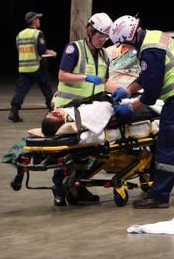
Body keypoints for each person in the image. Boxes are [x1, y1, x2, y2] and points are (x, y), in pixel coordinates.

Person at [109, 15, 174, 209]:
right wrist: (127, 90)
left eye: (124, 45)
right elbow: (147, 77)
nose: (125, 49)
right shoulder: (154, 37)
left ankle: (159, 196)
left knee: (168, 145)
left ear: (130, 38)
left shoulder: (150, 50)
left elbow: (150, 95)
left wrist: (130, 108)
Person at [50, 13, 124, 206]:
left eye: (105, 37)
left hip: (90, 110)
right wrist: (84, 77)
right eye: (99, 36)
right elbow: (62, 75)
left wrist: (124, 91)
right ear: (89, 31)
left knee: (88, 150)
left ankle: (78, 187)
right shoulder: (74, 49)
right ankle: (59, 188)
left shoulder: (104, 55)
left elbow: (104, 83)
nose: (102, 40)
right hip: (68, 109)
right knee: (66, 151)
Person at [8, 12, 57, 122]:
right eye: (37, 19)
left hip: (24, 67)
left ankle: (14, 111)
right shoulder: (37, 33)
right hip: (37, 66)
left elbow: (19, 49)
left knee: (20, 91)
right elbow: (41, 50)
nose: (39, 21)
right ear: (33, 21)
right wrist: (52, 53)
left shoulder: (20, 35)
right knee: (47, 89)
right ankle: (53, 110)